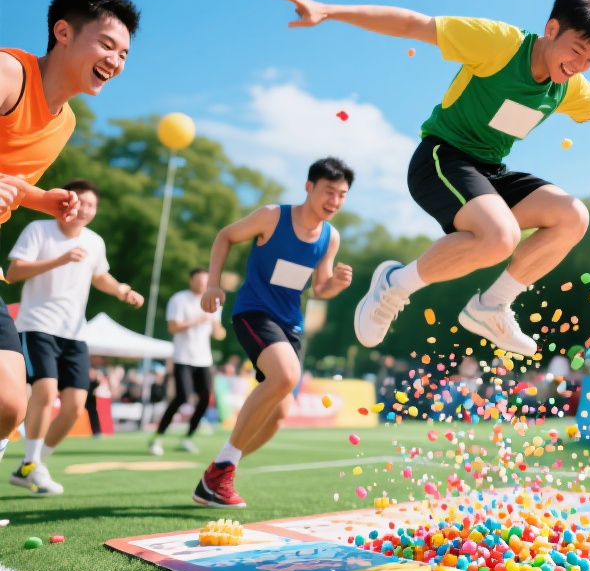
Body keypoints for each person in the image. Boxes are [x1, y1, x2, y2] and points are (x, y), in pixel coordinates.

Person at [271, 0, 590, 357]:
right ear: (552, 28)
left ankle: (492, 306)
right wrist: (329, 9)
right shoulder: (500, 44)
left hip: (490, 172)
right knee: (500, 236)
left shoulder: (567, 87)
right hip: (441, 158)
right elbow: (415, 24)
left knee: (574, 216)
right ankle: (393, 287)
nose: (580, 65)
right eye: (576, 51)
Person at [0, 0, 138, 462]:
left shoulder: (64, 123)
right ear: (63, 32)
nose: (116, 61)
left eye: (123, 53)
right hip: (40, 319)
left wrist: (44, 200)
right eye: (106, 45)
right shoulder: (8, 75)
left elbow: (10, 184)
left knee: (9, 403)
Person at [194, 157, 354, 508]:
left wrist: (336, 285)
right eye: (329, 191)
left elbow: (319, 288)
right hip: (254, 313)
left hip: (289, 325)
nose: (335, 201)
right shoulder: (272, 216)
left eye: (342, 195)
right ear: (309, 187)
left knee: (278, 416)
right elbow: (225, 236)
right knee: (286, 374)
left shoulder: (331, 237)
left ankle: (218, 473)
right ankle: (222, 470)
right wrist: (212, 284)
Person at [6, 179, 143, 494]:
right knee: (45, 390)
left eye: (91, 204)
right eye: (78, 202)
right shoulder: (39, 230)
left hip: (74, 332)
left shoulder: (95, 242)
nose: (84, 209)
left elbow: (99, 275)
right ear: (64, 203)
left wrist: (122, 290)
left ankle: (33, 465)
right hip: (37, 324)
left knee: (74, 406)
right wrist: (61, 259)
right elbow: (14, 273)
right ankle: (31, 464)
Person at [149, 268, 225, 456]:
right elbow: (173, 327)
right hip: (183, 358)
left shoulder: (214, 301)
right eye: (198, 281)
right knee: (182, 397)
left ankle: (188, 437)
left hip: (204, 359)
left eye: (205, 281)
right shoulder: (179, 299)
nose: (202, 284)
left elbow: (220, 332)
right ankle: (157, 437)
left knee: (206, 398)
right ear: (191, 280)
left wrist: (217, 329)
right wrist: (196, 321)